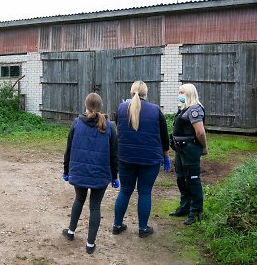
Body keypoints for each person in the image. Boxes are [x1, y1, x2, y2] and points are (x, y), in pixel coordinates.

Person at [61, 93, 119, 254]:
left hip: (79, 172)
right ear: (101, 106)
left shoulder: (76, 123)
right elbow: (115, 155)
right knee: (95, 207)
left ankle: (71, 232)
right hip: (101, 174)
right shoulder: (109, 126)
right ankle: (90, 244)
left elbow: (68, 150)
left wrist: (67, 171)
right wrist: (115, 176)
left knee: (79, 199)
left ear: (86, 105)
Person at [113, 81, 170, 238]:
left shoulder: (121, 109)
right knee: (145, 192)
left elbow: (119, 127)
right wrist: (166, 157)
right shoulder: (156, 111)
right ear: (146, 93)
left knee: (125, 191)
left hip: (125, 157)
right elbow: (164, 137)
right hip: (149, 159)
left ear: (131, 93)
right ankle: (143, 229)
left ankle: (117, 225)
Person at [169, 83, 208, 225]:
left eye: (182, 92)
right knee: (181, 179)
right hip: (180, 149)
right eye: (179, 92)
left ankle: (196, 211)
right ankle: (185, 207)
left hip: (190, 149)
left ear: (190, 94)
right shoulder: (183, 110)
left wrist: (204, 147)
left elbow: (200, 132)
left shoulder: (195, 110)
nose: (179, 95)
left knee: (192, 179)